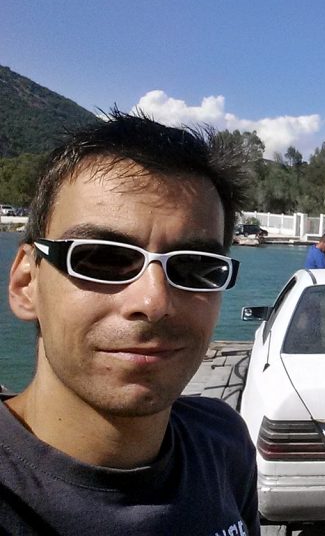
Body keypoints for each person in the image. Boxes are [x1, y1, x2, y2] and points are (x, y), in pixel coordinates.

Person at [1, 112, 259, 534]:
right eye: (102, 258)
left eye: (195, 267)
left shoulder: (223, 444)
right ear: (26, 282)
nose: (154, 302)